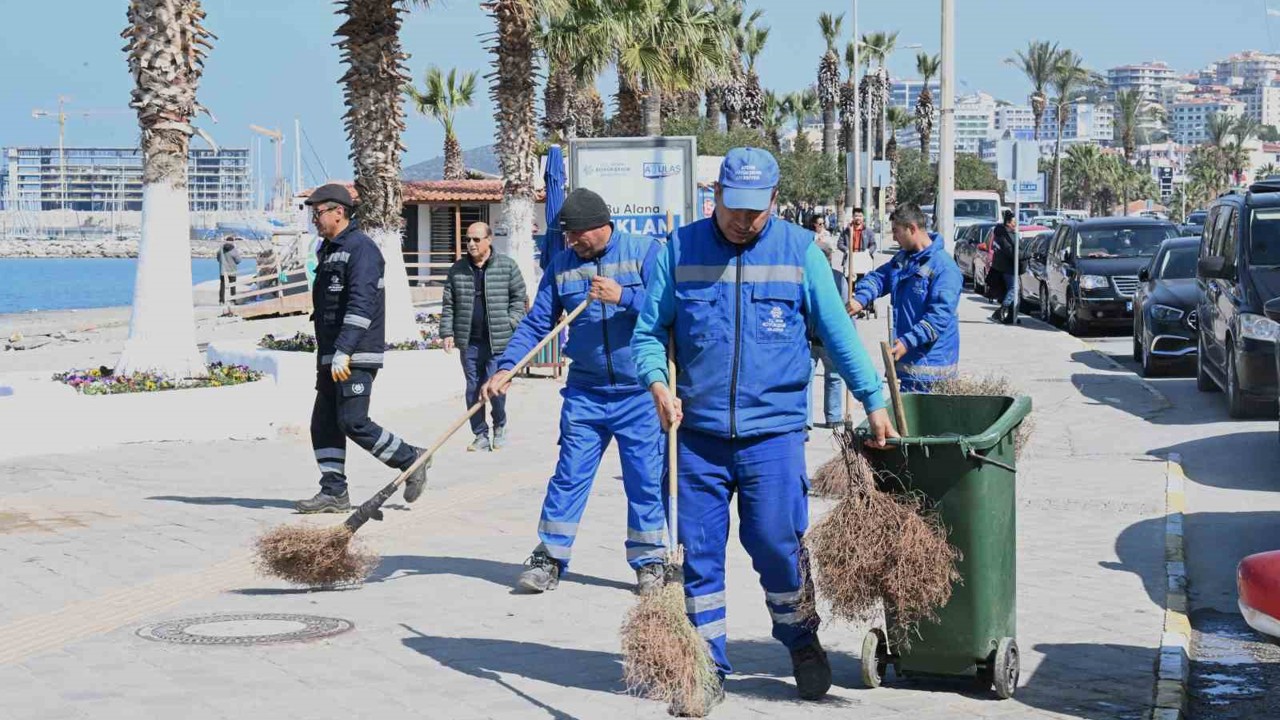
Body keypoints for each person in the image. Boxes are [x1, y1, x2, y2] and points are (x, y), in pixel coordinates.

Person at [631, 147, 899, 714]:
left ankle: (801, 641)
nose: (743, 220)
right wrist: (657, 382)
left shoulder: (799, 252)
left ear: (774, 201)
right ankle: (706, 666)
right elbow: (649, 333)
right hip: (697, 436)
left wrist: (873, 399)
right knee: (699, 553)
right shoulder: (678, 251)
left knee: (777, 545)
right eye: (733, 206)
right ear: (716, 196)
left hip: (773, 436)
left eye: (755, 210)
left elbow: (838, 335)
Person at [481, 188, 667, 596]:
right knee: (569, 475)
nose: (570, 243)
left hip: (640, 392)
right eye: (566, 236)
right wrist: (508, 367)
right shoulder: (562, 266)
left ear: (600, 227)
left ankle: (650, 561)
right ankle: (550, 556)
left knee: (645, 479)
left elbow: (671, 308)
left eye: (576, 235)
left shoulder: (645, 252)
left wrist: (624, 296)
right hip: (585, 391)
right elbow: (536, 323)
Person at [296, 184, 428, 514]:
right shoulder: (329, 249)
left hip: (354, 353)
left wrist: (344, 350)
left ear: (338, 212)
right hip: (331, 353)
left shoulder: (362, 249)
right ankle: (334, 492)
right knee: (323, 422)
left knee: (353, 421)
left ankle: (412, 458)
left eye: (319, 212)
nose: (315, 218)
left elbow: (361, 304)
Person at [846, 203, 964, 393]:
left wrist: (908, 341)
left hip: (933, 373)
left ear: (912, 228)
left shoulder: (945, 269)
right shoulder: (904, 259)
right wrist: (862, 298)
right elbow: (880, 278)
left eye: (896, 231)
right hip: (907, 370)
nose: (893, 237)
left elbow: (938, 318)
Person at [440, 222, 527, 451]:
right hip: (469, 342)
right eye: (468, 239)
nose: (471, 244)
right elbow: (449, 304)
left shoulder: (507, 266)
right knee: (472, 388)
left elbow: (519, 298)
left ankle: (499, 426)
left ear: (489, 240)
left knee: (494, 387)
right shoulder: (457, 269)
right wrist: (447, 331)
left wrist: (511, 322)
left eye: (476, 239)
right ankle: (480, 434)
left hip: (498, 341)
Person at [809, 242, 848, 429]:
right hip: (809, 338)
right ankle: (805, 420)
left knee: (833, 376)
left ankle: (833, 416)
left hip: (829, 339)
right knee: (806, 379)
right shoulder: (805, 277)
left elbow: (845, 308)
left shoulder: (839, 279)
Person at [990, 210, 1018, 324]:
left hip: (1006, 267)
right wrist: (1025, 254)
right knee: (1014, 289)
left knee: (1015, 292)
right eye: (1013, 222)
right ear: (1008, 222)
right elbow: (1011, 252)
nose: (1015, 224)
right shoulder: (1004, 235)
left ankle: (1011, 316)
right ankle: (1002, 310)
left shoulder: (1002, 233)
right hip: (1007, 268)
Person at [216, 237, 242, 307]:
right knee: (232, 286)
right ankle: (233, 301)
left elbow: (218, 258)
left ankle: (221, 301)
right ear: (233, 241)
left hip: (223, 270)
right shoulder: (234, 249)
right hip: (232, 271)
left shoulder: (221, 249)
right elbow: (238, 261)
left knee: (222, 286)